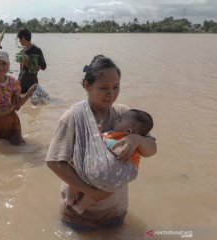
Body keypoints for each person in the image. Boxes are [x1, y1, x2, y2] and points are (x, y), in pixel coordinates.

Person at [45, 54, 157, 232]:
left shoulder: (123, 115)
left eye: (116, 87)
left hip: (115, 210)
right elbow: (54, 162)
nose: (111, 94)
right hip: (79, 214)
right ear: (87, 86)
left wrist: (137, 139)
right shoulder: (73, 117)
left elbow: (151, 150)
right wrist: (92, 192)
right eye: (104, 88)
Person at [65, 108, 154, 215]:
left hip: (106, 175)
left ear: (129, 131)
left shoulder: (117, 132)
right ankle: (81, 207)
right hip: (119, 179)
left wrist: (137, 139)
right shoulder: (75, 114)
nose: (116, 120)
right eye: (103, 89)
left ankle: (70, 198)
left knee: (76, 170)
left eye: (120, 120)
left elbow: (104, 141)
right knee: (102, 187)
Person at [16, 27, 47, 94]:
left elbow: (43, 66)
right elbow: (22, 70)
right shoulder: (22, 52)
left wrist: (31, 65)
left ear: (23, 38)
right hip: (21, 83)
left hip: (32, 83)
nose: (19, 41)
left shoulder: (37, 50)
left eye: (20, 39)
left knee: (33, 103)